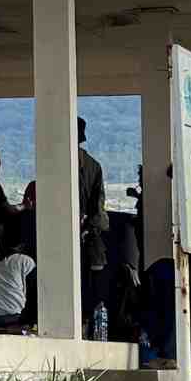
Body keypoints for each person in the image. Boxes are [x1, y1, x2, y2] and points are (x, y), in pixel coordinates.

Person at [78, 118, 111, 337]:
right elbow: (98, 206)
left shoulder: (58, 162)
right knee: (92, 286)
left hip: (76, 236)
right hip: (90, 235)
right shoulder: (93, 165)